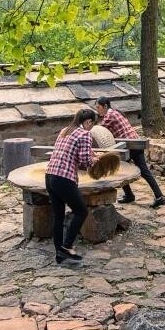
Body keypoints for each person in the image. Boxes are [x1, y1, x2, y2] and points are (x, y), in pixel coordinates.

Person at [45, 108, 100, 266]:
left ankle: (59, 254)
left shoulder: (65, 130)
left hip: (50, 176)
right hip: (64, 178)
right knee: (81, 211)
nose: (91, 128)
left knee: (58, 216)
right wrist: (94, 161)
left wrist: (91, 154)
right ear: (88, 122)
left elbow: (75, 150)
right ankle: (67, 246)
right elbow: (84, 160)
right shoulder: (85, 134)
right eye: (92, 124)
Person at [95, 97, 165, 208]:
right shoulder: (115, 112)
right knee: (132, 170)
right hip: (134, 143)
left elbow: (98, 131)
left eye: (98, 107)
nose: (97, 110)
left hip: (131, 145)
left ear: (105, 106)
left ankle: (156, 197)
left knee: (132, 170)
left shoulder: (109, 115)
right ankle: (133, 195)